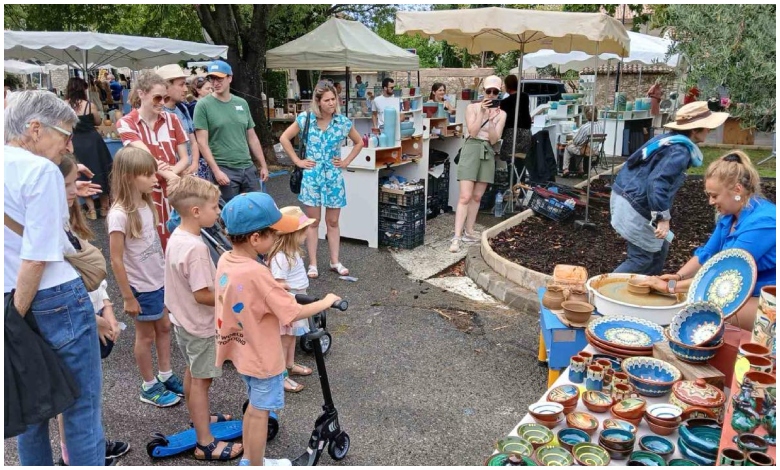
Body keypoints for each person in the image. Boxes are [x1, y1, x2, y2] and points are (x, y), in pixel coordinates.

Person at [5, 90, 106, 466]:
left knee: (31, 413)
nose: (68, 144)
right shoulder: (41, 170)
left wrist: (11, 317)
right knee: (81, 409)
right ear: (34, 129)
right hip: (52, 296)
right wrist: (16, 316)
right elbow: (37, 258)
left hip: (9, 294)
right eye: (64, 134)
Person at [215, 191, 342, 466]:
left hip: (241, 352)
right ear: (255, 238)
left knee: (252, 409)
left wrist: (274, 288)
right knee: (261, 413)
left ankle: (250, 461)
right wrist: (325, 302)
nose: (276, 238)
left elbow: (247, 293)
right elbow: (292, 312)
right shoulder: (257, 272)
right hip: (263, 357)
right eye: (273, 233)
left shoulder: (227, 259)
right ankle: (257, 465)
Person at [640, 151, 776, 331]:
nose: (710, 202)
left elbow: (724, 274)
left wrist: (670, 287)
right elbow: (706, 254)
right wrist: (678, 276)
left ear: (737, 190)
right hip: (743, 292)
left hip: (768, 299)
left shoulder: (763, 223)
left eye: (715, 196)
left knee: (693, 316)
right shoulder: (730, 217)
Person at [55, 154, 129, 466]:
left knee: (87, 396)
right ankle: (76, 455)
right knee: (75, 399)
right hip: (82, 318)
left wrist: (108, 308)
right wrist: (95, 318)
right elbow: (60, 282)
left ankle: (88, 445)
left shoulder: (70, 220)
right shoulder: (52, 228)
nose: (78, 190)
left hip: (94, 314)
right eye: (70, 185)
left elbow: (93, 279)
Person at [165, 175, 244, 461]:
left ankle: (199, 417)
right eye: (214, 207)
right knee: (202, 381)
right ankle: (205, 442)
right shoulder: (196, 249)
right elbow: (202, 294)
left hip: (182, 321)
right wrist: (232, 297)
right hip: (199, 325)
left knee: (192, 371)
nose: (218, 212)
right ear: (196, 211)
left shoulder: (178, 236)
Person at [611, 101, 729, 275]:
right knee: (641, 258)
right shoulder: (680, 150)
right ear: (695, 130)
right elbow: (657, 182)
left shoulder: (666, 140)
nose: (709, 131)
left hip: (625, 196)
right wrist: (662, 217)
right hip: (636, 205)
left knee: (660, 248)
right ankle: (601, 294)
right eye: (707, 127)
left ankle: (649, 289)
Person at [108, 146, 183, 407]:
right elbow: (116, 259)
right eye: (149, 174)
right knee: (146, 336)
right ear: (129, 176)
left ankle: (165, 374)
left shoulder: (146, 203)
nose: (156, 178)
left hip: (158, 280)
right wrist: (128, 297)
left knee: (164, 327)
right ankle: (149, 385)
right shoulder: (119, 214)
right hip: (141, 286)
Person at [279, 81, 364, 278]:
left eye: (333, 99)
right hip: (312, 175)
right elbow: (284, 138)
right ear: (318, 102)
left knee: (333, 221)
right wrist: (297, 161)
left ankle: (335, 261)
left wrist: (345, 162)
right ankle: (313, 264)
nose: (332, 103)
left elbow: (359, 142)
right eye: (327, 100)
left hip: (333, 177)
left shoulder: (342, 122)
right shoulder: (305, 119)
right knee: (313, 221)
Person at [117, 72, 190, 250]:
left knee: (178, 239)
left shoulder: (172, 119)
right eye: (157, 98)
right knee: (148, 242)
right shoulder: (126, 123)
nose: (162, 103)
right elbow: (147, 157)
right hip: (145, 192)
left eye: (165, 98)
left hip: (171, 189)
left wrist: (171, 174)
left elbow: (185, 158)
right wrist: (172, 175)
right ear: (141, 94)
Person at [194, 60, 269, 202]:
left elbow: (252, 137)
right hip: (224, 168)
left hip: (248, 167)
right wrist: (216, 171)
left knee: (256, 211)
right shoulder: (203, 105)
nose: (215, 83)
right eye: (212, 78)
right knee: (229, 216)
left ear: (230, 78)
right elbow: (202, 143)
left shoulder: (241, 103)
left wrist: (263, 165)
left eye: (219, 78)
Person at [450, 75, 507, 253]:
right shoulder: (472, 108)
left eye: (494, 92)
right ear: (483, 91)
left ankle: (469, 230)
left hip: (488, 151)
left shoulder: (502, 114)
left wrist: (491, 120)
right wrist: (483, 112)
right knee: (465, 196)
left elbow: (495, 138)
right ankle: (457, 236)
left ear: (499, 93)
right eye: (488, 91)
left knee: (477, 197)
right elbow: (473, 132)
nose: (491, 95)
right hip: (472, 148)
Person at [268, 206, 317, 393]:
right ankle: (281, 376)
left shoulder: (292, 251)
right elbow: (277, 283)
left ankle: (289, 365)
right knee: (285, 339)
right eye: (303, 231)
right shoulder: (280, 257)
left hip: (297, 299)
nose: (306, 234)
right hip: (289, 302)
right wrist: (290, 291)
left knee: (291, 337)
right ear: (292, 233)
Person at [65, 76, 114, 219]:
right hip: (93, 141)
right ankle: (105, 207)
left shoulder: (65, 105)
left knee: (83, 174)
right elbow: (98, 121)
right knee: (101, 171)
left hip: (76, 142)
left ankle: (91, 209)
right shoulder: (89, 105)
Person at [159, 64, 201, 176]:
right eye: (181, 85)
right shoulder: (157, 112)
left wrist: (195, 163)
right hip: (169, 174)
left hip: (189, 172)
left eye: (186, 84)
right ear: (166, 87)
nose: (186, 89)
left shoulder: (183, 108)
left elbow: (193, 142)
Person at [561, 106, 604, 177]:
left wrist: (571, 141)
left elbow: (576, 141)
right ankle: (580, 169)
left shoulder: (585, 127)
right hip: (595, 151)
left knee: (568, 147)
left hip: (586, 151)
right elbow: (600, 141)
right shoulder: (601, 126)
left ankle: (565, 169)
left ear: (586, 115)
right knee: (580, 147)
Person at [186, 76, 215, 180]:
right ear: (198, 90)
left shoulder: (207, 105)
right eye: (207, 89)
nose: (211, 91)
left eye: (212, 89)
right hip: (201, 153)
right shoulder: (194, 107)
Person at [499, 74, 532, 163]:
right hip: (526, 132)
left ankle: (511, 175)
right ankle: (520, 176)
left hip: (511, 133)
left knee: (508, 157)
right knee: (522, 159)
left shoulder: (504, 102)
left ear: (507, 86)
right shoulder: (525, 97)